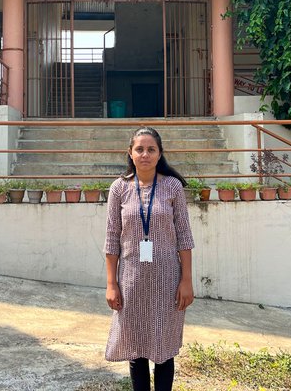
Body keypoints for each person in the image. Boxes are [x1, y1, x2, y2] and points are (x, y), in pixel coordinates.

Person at [104, 127, 195, 391]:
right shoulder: (119, 188)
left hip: (167, 279)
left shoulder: (172, 187)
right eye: (139, 149)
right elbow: (111, 239)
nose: (145, 154)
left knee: (164, 348)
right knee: (136, 348)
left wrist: (186, 280)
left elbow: (184, 237)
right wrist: (111, 284)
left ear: (159, 154)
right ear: (130, 154)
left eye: (151, 149)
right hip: (131, 280)